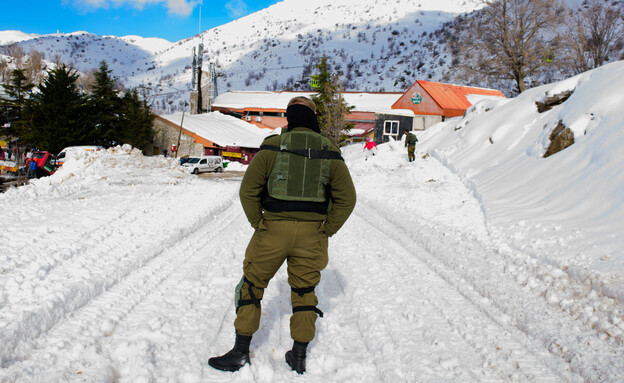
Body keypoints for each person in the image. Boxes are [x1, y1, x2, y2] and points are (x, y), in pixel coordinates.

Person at [209, 96, 357, 374]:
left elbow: (248, 190)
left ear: (290, 118)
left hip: (273, 230)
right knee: (304, 291)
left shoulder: (273, 148)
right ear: (314, 118)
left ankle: (240, 352)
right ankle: (298, 355)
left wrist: (258, 222)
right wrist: (328, 229)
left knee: (251, 286)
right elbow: (347, 198)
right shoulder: (330, 151)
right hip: (312, 234)